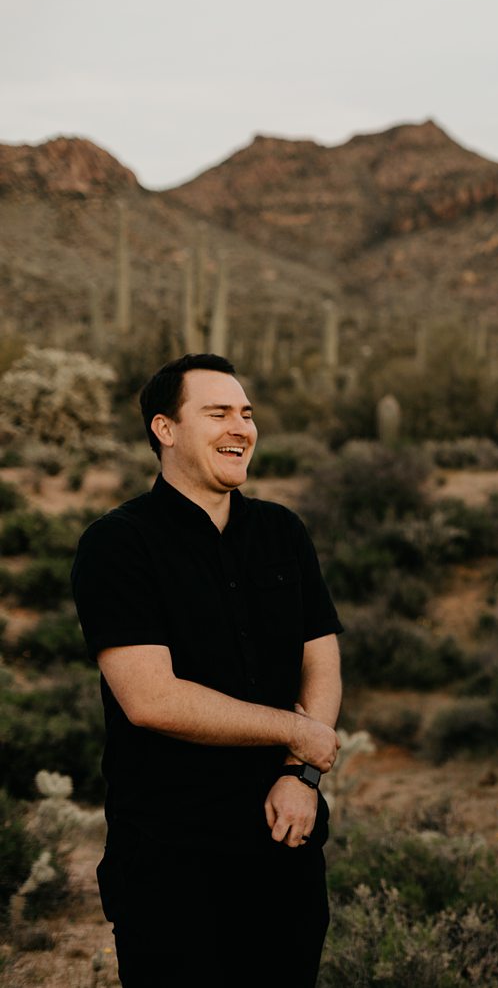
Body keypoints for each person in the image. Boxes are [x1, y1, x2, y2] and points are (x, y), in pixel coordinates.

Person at [70, 354, 343, 988]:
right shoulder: (117, 545)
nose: (241, 427)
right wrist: (296, 733)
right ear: (165, 430)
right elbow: (150, 699)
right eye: (217, 413)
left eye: (247, 414)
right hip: (171, 857)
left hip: (285, 844)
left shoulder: (282, 532)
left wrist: (299, 772)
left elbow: (320, 656)